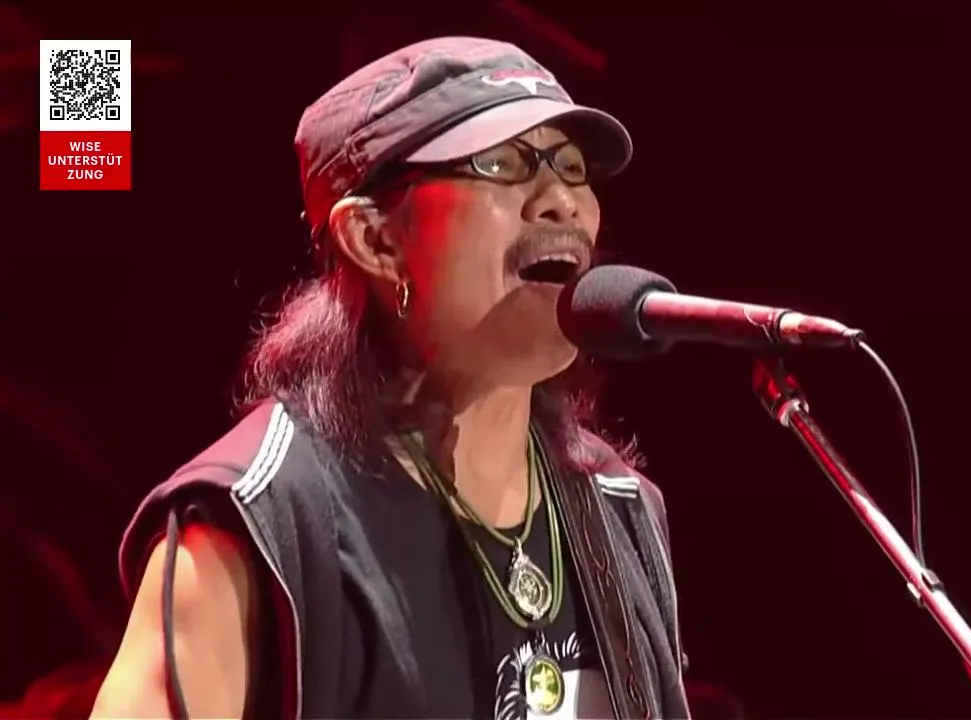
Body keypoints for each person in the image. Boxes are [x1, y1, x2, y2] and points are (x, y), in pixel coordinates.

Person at [90, 36, 689, 720]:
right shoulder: (264, 520)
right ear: (374, 239)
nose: (561, 201)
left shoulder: (619, 507)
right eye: (500, 163)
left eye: (572, 167)